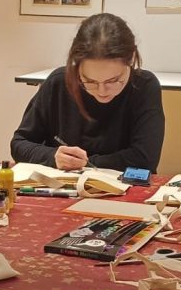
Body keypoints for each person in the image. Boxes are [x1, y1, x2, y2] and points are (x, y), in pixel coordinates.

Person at [10, 13, 164, 172]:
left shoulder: (144, 86)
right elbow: (19, 144)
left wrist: (85, 163)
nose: (102, 91)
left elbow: (145, 159)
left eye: (113, 80)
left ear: (131, 59)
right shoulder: (59, 82)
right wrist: (52, 156)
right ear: (77, 66)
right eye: (90, 81)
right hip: (63, 185)